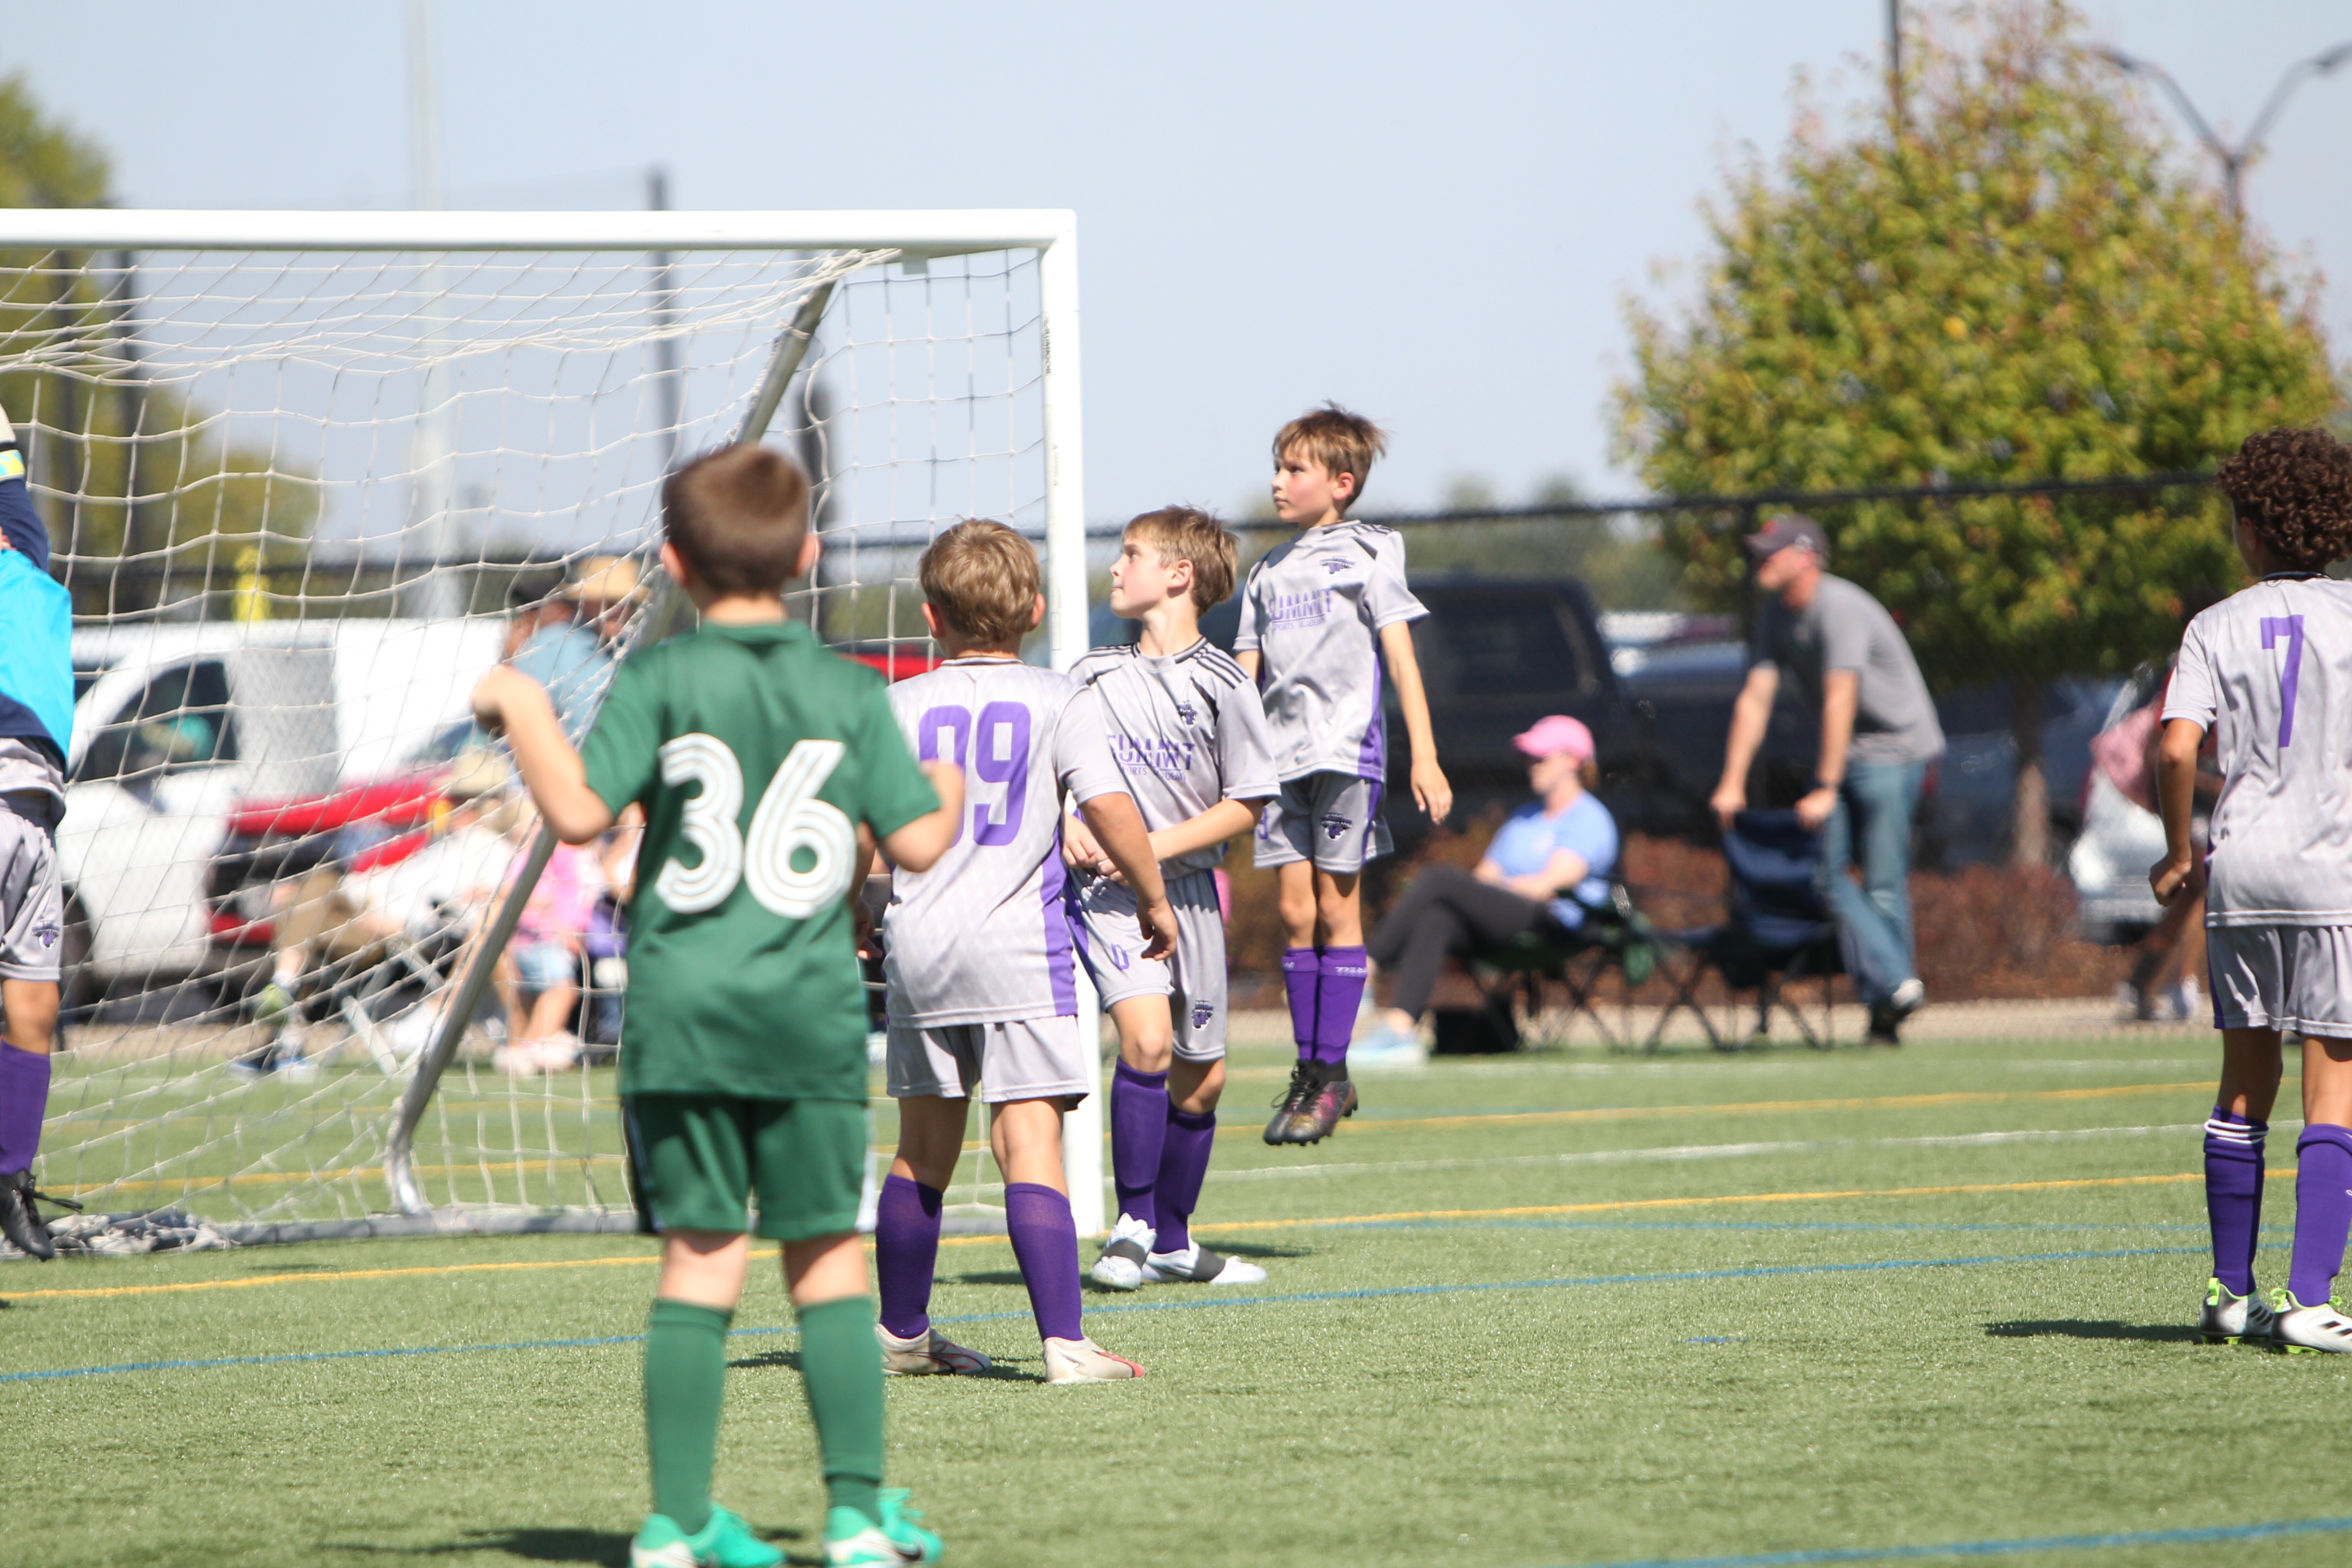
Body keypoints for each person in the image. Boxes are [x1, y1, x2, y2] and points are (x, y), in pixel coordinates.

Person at [472, 442, 964, 1566]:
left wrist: (515, 696)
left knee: (699, 1262)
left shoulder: (657, 679)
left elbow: (581, 813)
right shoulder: (851, 690)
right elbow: (921, 844)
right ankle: (854, 1520)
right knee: (826, 1263)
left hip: (684, 1019)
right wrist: (944, 788)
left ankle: (677, 1523)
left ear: (677, 565)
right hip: (805, 1021)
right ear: (809, 555)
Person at [868, 519, 1175, 1385]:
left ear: (931, 617)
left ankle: (900, 1336)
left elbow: (864, 827)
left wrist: (860, 910)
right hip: (1018, 951)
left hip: (919, 946)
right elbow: (1109, 807)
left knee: (922, 1147)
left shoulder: (894, 706)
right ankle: (1065, 1344)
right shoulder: (1060, 698)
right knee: (1030, 1142)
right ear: (1036, 611)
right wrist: (1153, 897)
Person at [2152, 426, 2352, 1353]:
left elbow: (2175, 748)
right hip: (2332, 872)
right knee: (2333, 1084)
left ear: (2253, 530)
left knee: (2243, 1083)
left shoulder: (2214, 625)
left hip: (2240, 872)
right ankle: (2308, 1299)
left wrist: (2176, 852)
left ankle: (2229, 1295)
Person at [1063, 507, 1278, 1291]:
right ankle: (1130, 1228)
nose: (1116, 567)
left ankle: (1173, 1241)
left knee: (1204, 1078)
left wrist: (1147, 847)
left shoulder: (1225, 682)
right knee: (1147, 1042)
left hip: (1190, 894)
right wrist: (1067, 823)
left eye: (1132, 554)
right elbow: (1054, 772)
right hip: (1109, 898)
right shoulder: (1091, 675)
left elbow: (1247, 802)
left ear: (1179, 575)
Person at [1236, 404, 1451, 1146]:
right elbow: (1244, 679)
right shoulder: (1265, 572)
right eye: (1277, 466)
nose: (1278, 481)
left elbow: (1401, 660)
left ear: (1341, 483)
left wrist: (1425, 754)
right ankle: (1312, 1070)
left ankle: (1330, 1072)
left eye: (1295, 469)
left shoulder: (1371, 552)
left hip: (1345, 753)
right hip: (1280, 763)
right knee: (1295, 913)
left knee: (1336, 910)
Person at [1711, 513, 1943, 1044]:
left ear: (1806, 558)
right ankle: (1897, 982)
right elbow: (1755, 699)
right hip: (1845, 755)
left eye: (1771, 552)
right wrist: (1732, 780)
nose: (1760, 561)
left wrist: (1825, 787)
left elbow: (1841, 699)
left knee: (1882, 883)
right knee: (1824, 876)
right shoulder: (1776, 615)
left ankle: (1887, 1011)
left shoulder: (1839, 607)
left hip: (1895, 751)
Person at [1359, 715, 1620, 1056]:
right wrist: (1486, 892)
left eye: (1541, 757)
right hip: (1508, 923)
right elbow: (1483, 880)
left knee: (1439, 878)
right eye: (1528, 757)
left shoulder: (1589, 817)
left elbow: (1550, 884)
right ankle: (1399, 1030)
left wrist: (1494, 889)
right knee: (1438, 917)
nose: (1531, 765)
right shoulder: (1523, 818)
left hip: (1552, 926)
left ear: (1573, 761)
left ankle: (1364, 969)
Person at [0, 401, 77, 1260]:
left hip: (32, 811)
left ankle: (10, 1178)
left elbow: (8, 482)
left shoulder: (24, 563)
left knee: (35, 1003)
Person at [492, 807, 601, 1075]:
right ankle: (531, 1046)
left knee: (534, 995)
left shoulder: (563, 856)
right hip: (539, 937)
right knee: (562, 989)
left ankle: (522, 1048)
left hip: (543, 938)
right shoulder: (530, 858)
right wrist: (561, 924)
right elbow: (515, 893)